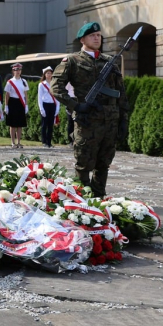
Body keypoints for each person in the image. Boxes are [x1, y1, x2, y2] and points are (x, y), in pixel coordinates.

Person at [52, 21, 129, 196]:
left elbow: (120, 93)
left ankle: (99, 198)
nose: (97, 38)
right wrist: (76, 105)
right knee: (83, 163)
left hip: (110, 121)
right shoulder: (72, 61)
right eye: (92, 35)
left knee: (104, 164)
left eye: (99, 35)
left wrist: (123, 120)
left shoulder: (110, 61)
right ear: (82, 39)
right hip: (87, 120)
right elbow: (56, 87)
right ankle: (83, 200)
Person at [4, 63, 29, 150]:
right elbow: (7, 94)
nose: (17, 71)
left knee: (20, 124)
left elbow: (25, 94)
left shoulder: (24, 81)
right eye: (16, 70)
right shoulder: (10, 82)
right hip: (12, 102)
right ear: (13, 71)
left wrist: (26, 105)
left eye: (19, 70)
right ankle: (12, 142)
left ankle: (18, 142)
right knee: (13, 124)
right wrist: (6, 106)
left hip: (21, 103)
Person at [37, 66, 61, 149]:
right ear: (45, 74)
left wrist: (58, 107)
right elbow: (39, 97)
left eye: (50, 73)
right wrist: (41, 108)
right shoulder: (41, 84)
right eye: (48, 73)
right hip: (45, 105)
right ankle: (44, 141)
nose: (49, 74)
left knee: (51, 125)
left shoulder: (54, 83)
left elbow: (57, 96)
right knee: (44, 124)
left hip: (52, 105)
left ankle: (49, 142)